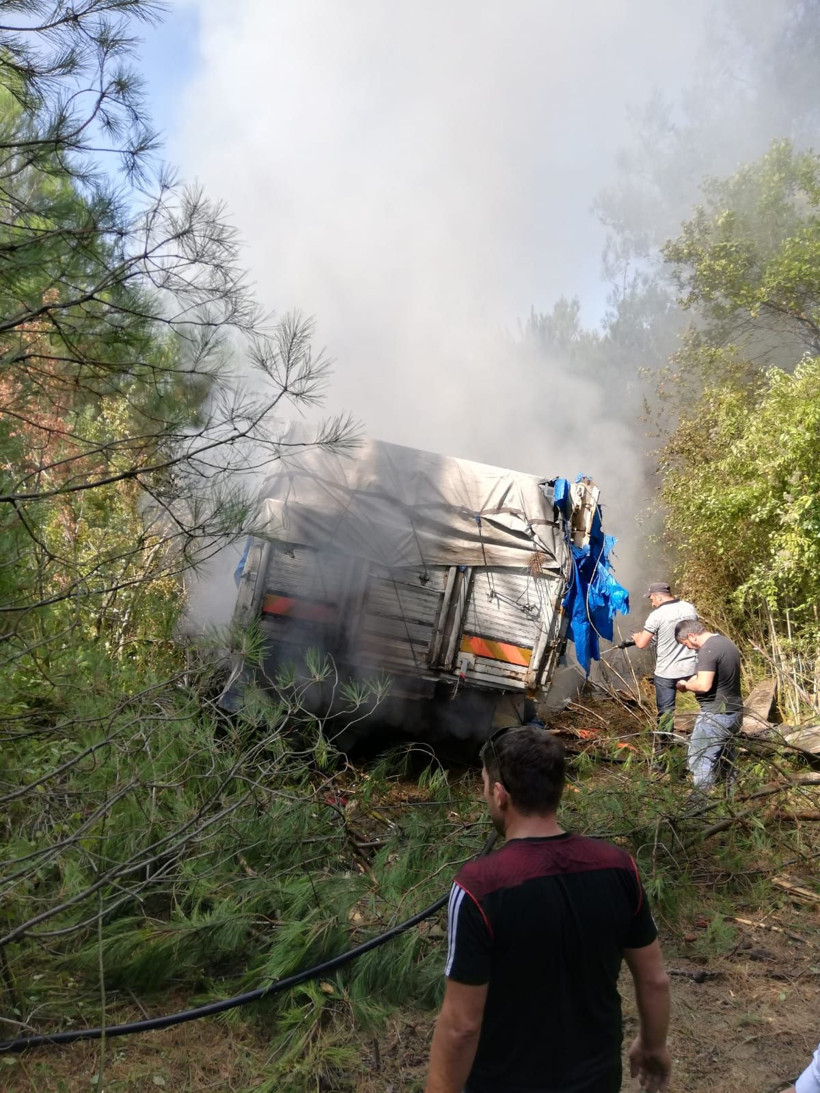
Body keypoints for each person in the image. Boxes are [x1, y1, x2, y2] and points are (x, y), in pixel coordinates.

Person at [424, 725, 671, 1093]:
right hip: (597, 1082)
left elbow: (461, 1026)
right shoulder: (619, 867)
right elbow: (654, 979)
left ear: (499, 794)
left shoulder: (478, 888)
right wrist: (653, 1044)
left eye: (484, 786)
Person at [619, 581, 698, 761]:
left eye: (652, 599)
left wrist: (637, 637)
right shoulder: (689, 608)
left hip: (667, 671)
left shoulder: (657, 615)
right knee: (705, 704)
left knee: (666, 713)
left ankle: (663, 755)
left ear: (659, 596)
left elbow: (642, 643)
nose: (652, 603)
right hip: (691, 667)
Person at [674, 618, 743, 792]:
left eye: (685, 644)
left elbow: (704, 685)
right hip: (734, 712)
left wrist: (685, 685)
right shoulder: (725, 642)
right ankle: (732, 800)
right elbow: (716, 675)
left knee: (700, 760)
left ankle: (699, 804)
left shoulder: (707, 650)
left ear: (692, 635)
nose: (688, 648)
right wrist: (694, 679)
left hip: (715, 715)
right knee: (726, 761)